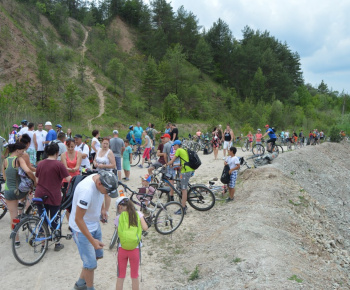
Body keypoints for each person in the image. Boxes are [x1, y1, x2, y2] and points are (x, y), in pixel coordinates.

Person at [69, 170, 118, 290]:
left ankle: (80, 283)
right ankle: (89, 288)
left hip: (94, 224)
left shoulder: (99, 178)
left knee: (95, 257)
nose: (107, 194)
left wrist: (101, 210)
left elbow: (100, 195)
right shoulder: (86, 191)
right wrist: (92, 240)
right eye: (107, 191)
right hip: (81, 229)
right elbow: (78, 219)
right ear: (99, 184)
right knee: (90, 264)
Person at [35, 143, 71, 251]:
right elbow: (69, 179)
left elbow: (36, 180)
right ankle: (57, 243)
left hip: (39, 194)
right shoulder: (59, 164)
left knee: (42, 218)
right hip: (53, 195)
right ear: (57, 153)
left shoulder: (40, 163)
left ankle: (43, 245)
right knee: (55, 218)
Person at [2, 142, 36, 237]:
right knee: (29, 191)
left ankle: (16, 240)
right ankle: (22, 208)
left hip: (8, 191)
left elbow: (5, 178)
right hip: (19, 192)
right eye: (22, 151)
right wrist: (34, 180)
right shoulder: (19, 159)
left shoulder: (5, 160)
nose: (23, 153)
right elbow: (28, 171)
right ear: (17, 150)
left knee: (13, 215)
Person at [115, 196, 148, 290]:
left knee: (120, 276)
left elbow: (118, 232)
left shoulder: (118, 217)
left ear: (120, 206)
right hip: (135, 248)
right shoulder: (138, 214)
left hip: (122, 249)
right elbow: (145, 228)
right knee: (134, 276)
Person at [167, 140, 194, 214]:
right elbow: (183, 162)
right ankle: (183, 203)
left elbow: (172, 160)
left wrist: (165, 165)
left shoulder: (178, 150)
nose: (173, 147)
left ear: (177, 145)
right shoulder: (183, 150)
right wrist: (175, 165)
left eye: (174, 145)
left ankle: (183, 208)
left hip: (185, 171)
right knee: (181, 187)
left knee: (183, 189)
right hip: (188, 170)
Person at [162, 134, 175, 200]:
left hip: (170, 164)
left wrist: (167, 163)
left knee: (170, 180)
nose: (163, 139)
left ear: (168, 138)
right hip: (177, 163)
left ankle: (171, 196)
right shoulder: (174, 143)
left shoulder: (166, 145)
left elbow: (165, 156)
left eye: (164, 138)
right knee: (177, 179)